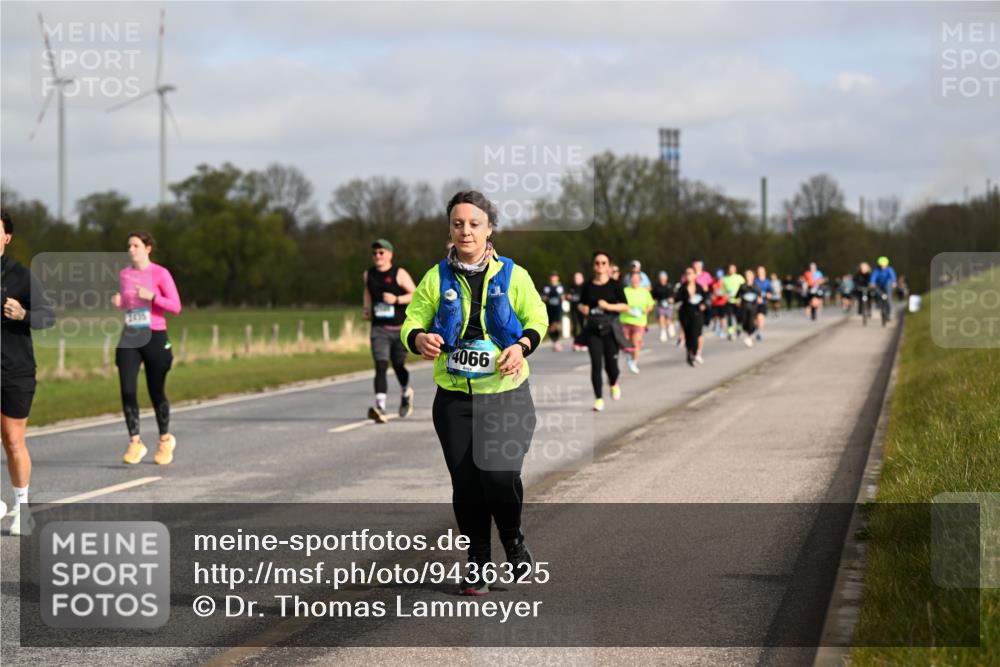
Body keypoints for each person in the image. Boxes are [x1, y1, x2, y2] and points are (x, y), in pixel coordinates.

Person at [401, 190, 547, 596]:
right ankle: (478, 562)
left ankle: (514, 541)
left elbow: (538, 317)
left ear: (489, 229)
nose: (466, 231)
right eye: (458, 224)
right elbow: (412, 320)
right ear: (450, 229)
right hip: (455, 399)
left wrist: (520, 346)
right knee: (466, 485)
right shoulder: (436, 277)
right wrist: (420, 339)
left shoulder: (514, 275)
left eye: (474, 224)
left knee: (498, 477)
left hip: (506, 393)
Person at [1, 209, 55, 535]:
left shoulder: (20, 275)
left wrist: (22, 314)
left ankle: (23, 509)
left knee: (11, 439)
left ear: (7, 237)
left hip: (15, 369)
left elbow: (48, 316)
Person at [112, 232, 182, 465]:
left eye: (135, 245)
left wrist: (153, 297)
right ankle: (135, 442)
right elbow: (128, 303)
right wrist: (120, 301)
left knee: (155, 391)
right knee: (127, 389)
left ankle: (165, 440)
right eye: (129, 245)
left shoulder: (160, 273)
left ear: (147, 248)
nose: (131, 249)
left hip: (155, 335)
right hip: (131, 335)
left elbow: (176, 306)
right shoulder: (125, 275)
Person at [362, 238, 416, 423]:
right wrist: (367, 308)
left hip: (400, 328)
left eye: (381, 252)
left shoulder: (399, 273)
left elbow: (415, 294)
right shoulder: (368, 274)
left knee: (398, 365)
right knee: (381, 365)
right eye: (374, 253)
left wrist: (396, 299)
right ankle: (380, 407)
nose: (377, 256)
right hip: (379, 328)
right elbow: (367, 293)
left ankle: (405, 391)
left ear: (390, 255)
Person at [578, 251, 629, 412]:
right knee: (596, 364)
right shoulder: (587, 286)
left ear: (609, 266)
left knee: (612, 366)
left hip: (611, 329)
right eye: (597, 263)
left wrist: (608, 306)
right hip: (594, 329)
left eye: (603, 263)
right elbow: (580, 304)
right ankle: (598, 398)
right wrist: (583, 308)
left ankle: (613, 382)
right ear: (593, 266)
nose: (600, 265)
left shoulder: (615, 285)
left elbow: (625, 306)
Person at [620, 271, 654, 373]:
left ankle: (634, 362)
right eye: (633, 279)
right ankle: (629, 357)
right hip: (626, 320)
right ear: (630, 280)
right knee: (626, 343)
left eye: (637, 279)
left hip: (639, 321)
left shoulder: (644, 292)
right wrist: (628, 309)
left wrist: (645, 310)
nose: (635, 281)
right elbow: (619, 304)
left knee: (635, 342)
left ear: (640, 280)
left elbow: (650, 305)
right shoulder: (625, 291)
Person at [675, 267, 709, 366]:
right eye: (687, 274)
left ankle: (694, 352)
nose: (689, 275)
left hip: (697, 313)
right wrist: (673, 300)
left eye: (690, 273)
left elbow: (706, 299)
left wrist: (704, 305)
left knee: (696, 334)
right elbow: (676, 298)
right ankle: (689, 353)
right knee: (688, 335)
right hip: (685, 314)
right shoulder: (682, 287)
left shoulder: (699, 287)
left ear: (694, 275)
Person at [540, 271, 565, 352]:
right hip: (549, 309)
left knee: (555, 325)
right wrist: (545, 298)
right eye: (552, 277)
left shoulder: (560, 287)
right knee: (550, 328)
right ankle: (555, 342)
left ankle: (557, 342)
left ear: (558, 278)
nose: (553, 278)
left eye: (555, 277)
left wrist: (563, 297)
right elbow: (542, 296)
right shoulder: (546, 287)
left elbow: (563, 296)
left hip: (557, 309)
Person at [736, 269, 763, 347]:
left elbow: (760, 296)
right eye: (747, 275)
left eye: (750, 275)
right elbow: (737, 296)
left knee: (751, 322)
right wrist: (738, 300)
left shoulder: (756, 286)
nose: (748, 277)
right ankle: (747, 333)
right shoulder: (742, 286)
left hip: (753, 307)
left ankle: (749, 336)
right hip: (744, 306)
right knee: (744, 322)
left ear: (753, 276)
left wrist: (759, 299)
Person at [721, 264, 746, 339]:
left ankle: (738, 327)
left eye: (733, 268)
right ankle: (730, 332)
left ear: (735, 269)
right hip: (729, 301)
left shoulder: (739, 278)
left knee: (738, 317)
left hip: (738, 301)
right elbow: (722, 291)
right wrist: (725, 295)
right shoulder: (725, 279)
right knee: (729, 317)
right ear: (728, 270)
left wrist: (740, 298)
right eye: (730, 269)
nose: (731, 270)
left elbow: (744, 288)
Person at [870, 256, 898, 322]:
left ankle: (888, 314)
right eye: (881, 265)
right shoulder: (877, 270)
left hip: (887, 286)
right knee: (876, 291)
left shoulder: (889, 269)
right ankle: (878, 303)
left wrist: (894, 282)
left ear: (887, 264)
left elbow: (893, 276)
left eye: (884, 265)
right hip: (879, 285)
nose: (883, 266)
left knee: (889, 300)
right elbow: (873, 277)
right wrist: (872, 283)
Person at [652, 270, 675, 342]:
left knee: (668, 320)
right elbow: (653, 296)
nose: (662, 279)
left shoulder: (669, 285)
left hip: (668, 305)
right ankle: (663, 332)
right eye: (661, 278)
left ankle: (670, 326)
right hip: (660, 305)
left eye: (664, 278)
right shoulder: (656, 287)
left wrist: (671, 299)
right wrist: (654, 301)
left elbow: (673, 295)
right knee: (661, 318)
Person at [567, 271, 586, 349]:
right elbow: (567, 295)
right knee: (574, 325)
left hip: (582, 310)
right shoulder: (571, 287)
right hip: (574, 309)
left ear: (582, 279)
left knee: (582, 326)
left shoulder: (585, 287)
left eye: (578, 278)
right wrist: (568, 296)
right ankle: (576, 342)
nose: (577, 279)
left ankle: (584, 342)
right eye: (575, 278)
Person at [753, 266, 771, 341]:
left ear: (764, 272)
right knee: (756, 319)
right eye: (759, 271)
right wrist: (756, 297)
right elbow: (751, 291)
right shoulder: (755, 281)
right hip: (755, 302)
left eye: (761, 271)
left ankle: (759, 332)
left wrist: (768, 295)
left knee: (761, 317)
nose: (760, 272)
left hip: (763, 302)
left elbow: (770, 292)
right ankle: (757, 329)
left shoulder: (767, 281)